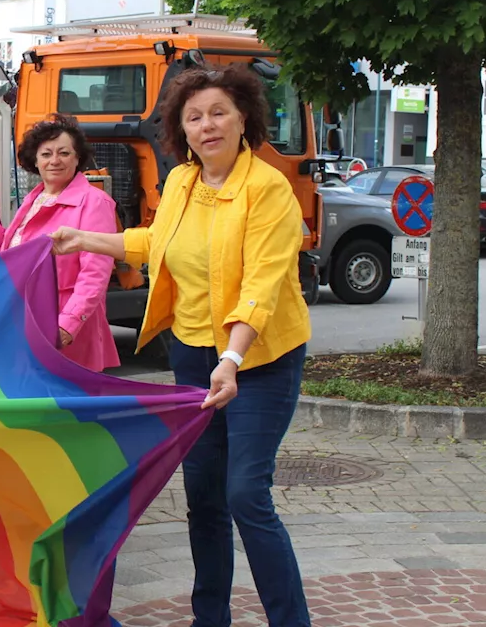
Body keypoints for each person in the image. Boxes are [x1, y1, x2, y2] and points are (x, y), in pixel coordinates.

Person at [50, 64, 313, 627]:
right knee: (205, 500)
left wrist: (233, 358)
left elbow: (262, 284)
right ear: (182, 130)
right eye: (194, 117)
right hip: (194, 354)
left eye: (219, 113)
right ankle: (208, 618)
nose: (207, 125)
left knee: (246, 494)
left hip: (259, 359)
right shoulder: (181, 184)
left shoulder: (269, 189)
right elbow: (154, 241)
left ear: (244, 118)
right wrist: (84, 238)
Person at [0, 113, 119, 372]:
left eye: (64, 153)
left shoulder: (94, 202)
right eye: (46, 154)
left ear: (78, 158)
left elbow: (95, 274)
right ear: (35, 160)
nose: (55, 161)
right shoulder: (34, 199)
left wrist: (68, 324)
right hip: (26, 320)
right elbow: (18, 254)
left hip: (65, 328)